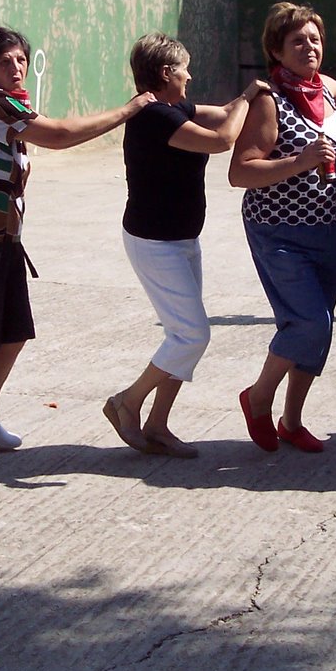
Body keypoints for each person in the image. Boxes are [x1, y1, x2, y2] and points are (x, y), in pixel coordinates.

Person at [0, 26, 154, 469]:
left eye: (20, 59)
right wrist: (130, 108)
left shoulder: (7, 107)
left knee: (11, 334)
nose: (15, 67)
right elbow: (62, 134)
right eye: (4, 60)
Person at [230, 2, 336, 452]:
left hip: (325, 228)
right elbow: (240, 172)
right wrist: (299, 161)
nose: (309, 46)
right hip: (277, 230)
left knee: (320, 326)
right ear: (276, 50)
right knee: (308, 324)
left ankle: (292, 420)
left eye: (315, 38)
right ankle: (258, 398)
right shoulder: (268, 100)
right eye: (297, 40)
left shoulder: (327, 89)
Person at [103, 34, 269, 457]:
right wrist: (250, 93)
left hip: (181, 237)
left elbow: (228, 114)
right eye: (184, 69)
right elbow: (222, 139)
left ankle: (158, 425)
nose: (190, 76)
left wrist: (254, 100)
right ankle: (127, 401)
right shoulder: (154, 116)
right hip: (153, 241)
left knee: (184, 334)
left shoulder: (175, 108)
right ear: (165, 74)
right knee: (192, 334)